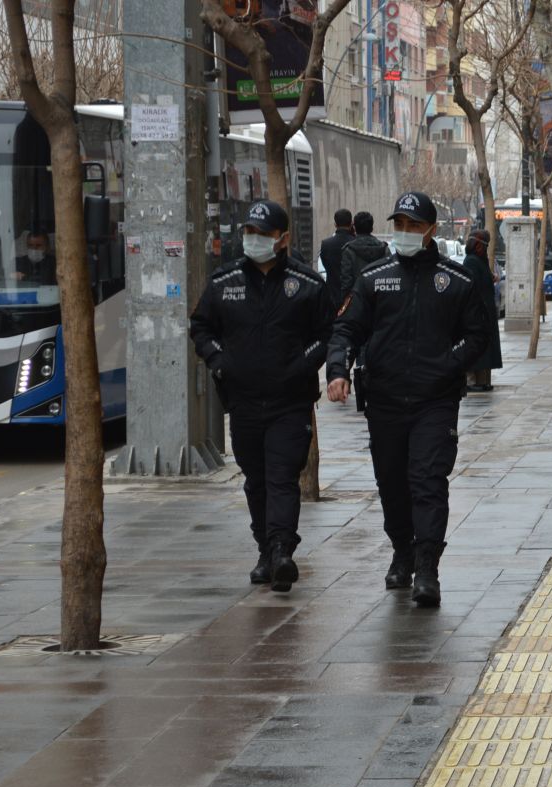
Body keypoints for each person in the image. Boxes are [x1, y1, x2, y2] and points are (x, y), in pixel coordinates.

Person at [326, 191, 488, 607]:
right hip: (384, 400)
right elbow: (347, 329)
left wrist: (447, 365)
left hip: (435, 402)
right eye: (399, 225)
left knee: (428, 481)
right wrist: (338, 371)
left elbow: (478, 337)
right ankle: (402, 550)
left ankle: (427, 567)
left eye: (413, 226)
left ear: (431, 231)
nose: (405, 233)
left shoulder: (456, 281)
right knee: (393, 483)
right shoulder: (375, 277)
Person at [189, 200, 334, 592]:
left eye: (263, 234)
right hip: (244, 401)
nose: (254, 240)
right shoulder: (225, 282)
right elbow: (201, 327)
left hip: (291, 401)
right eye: (249, 233)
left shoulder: (306, 285)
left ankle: (282, 549)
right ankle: (264, 552)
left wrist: (304, 365)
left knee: (282, 476)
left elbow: (326, 334)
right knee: (256, 479)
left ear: (282, 239)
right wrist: (219, 361)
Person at [461, 229, 502, 391]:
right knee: (478, 347)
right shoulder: (471, 261)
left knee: (486, 347)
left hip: (485, 311)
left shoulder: (479, 261)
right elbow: (473, 287)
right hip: (479, 312)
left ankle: (482, 381)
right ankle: (474, 381)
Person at [339, 211, 388, 300]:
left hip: (357, 301)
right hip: (381, 300)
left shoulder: (349, 250)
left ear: (354, 227)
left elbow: (346, 282)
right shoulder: (384, 249)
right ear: (372, 228)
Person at [318, 208, 354, 306]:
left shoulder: (326, 244)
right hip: (352, 298)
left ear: (335, 224)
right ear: (351, 223)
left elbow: (325, 264)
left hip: (332, 295)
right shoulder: (355, 243)